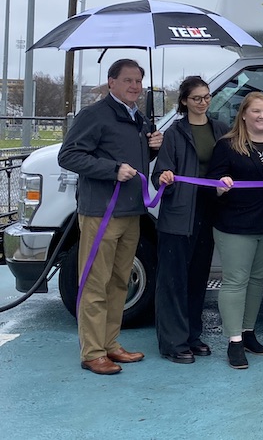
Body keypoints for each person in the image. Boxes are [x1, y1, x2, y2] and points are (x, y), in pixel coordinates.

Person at [58, 58, 163, 375]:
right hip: (101, 213)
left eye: (138, 81)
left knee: (120, 281)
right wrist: (111, 170)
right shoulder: (95, 115)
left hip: (132, 212)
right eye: (128, 80)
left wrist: (152, 148)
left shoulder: (138, 118)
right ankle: (92, 352)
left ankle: (111, 344)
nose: (134, 86)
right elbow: (69, 155)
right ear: (111, 82)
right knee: (95, 283)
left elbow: (134, 158)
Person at [206, 92, 263, 370]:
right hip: (235, 225)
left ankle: (249, 332)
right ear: (243, 114)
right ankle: (234, 341)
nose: (262, 116)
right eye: (256, 111)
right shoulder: (228, 145)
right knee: (235, 281)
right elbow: (212, 180)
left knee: (256, 280)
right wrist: (220, 184)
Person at [153, 76, 228, 364]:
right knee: (173, 281)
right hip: (179, 216)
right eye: (197, 98)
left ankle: (192, 336)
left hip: (208, 212)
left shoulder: (219, 130)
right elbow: (159, 172)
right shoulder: (174, 133)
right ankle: (173, 342)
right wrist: (164, 178)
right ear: (184, 101)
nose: (203, 102)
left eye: (207, 96)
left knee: (198, 279)